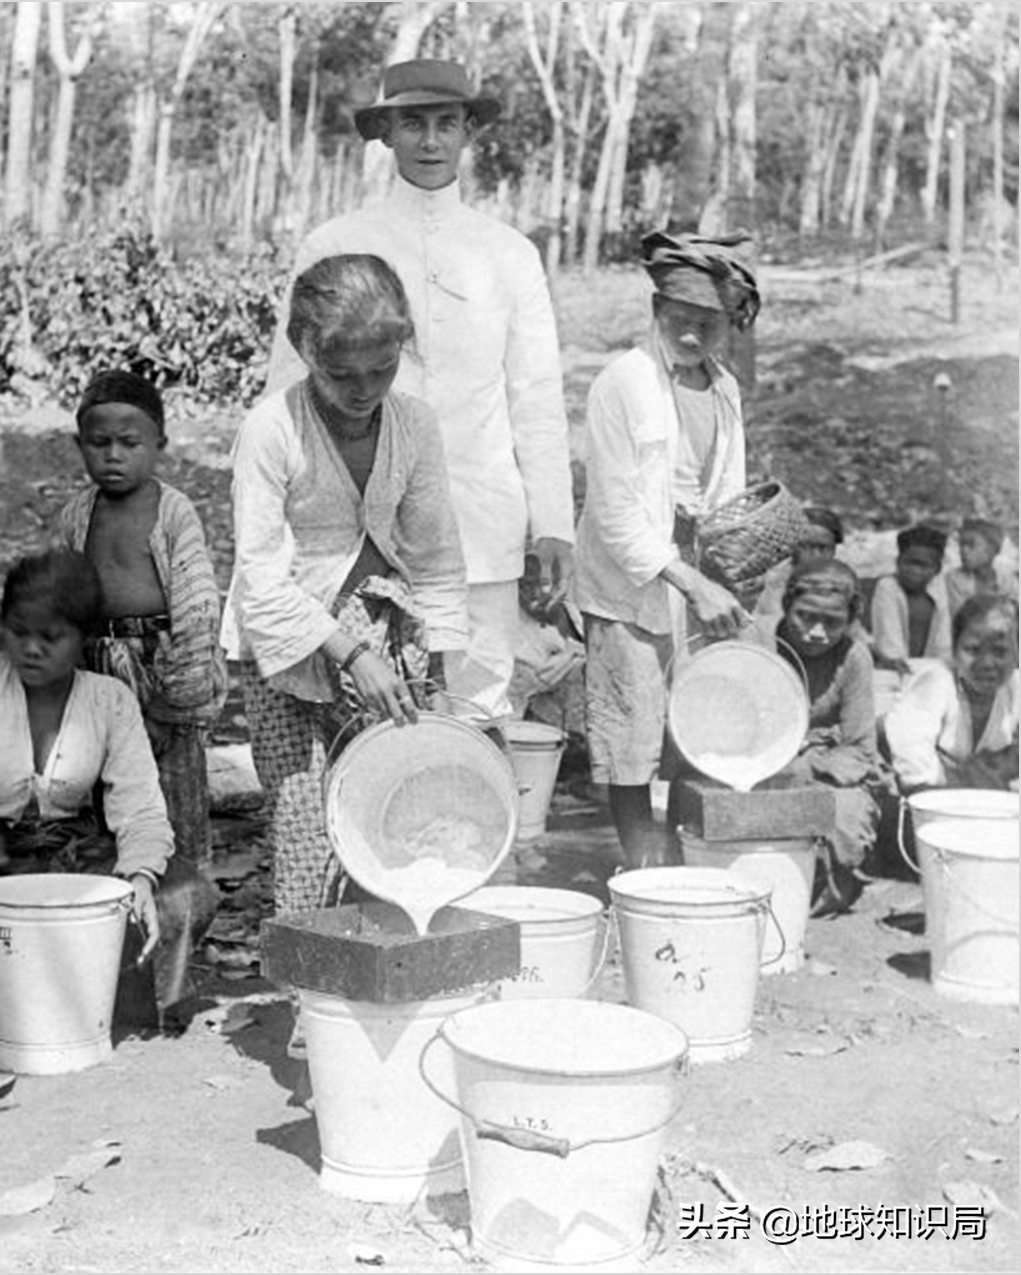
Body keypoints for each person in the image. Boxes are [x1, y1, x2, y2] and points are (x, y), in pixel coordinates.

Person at [265, 59, 573, 723]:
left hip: (477, 514)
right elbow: (287, 384)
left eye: (445, 124)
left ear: (468, 133)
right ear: (386, 133)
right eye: (412, 123)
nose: (430, 142)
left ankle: (470, 827)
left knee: (475, 695)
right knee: (361, 706)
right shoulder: (337, 242)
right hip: (355, 517)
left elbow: (536, 395)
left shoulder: (507, 253)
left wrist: (553, 522)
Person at [223, 253, 469, 919]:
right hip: (286, 646)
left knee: (389, 807)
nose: (363, 389)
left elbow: (435, 550)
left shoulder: (413, 424)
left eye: (381, 369)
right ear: (304, 349)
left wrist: (437, 664)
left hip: (385, 637)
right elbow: (260, 575)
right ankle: (314, 989)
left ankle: (384, 960)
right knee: (303, 816)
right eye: (341, 374)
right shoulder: (271, 430)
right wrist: (347, 653)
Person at [0, 551, 218, 1023]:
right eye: (18, 632)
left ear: (83, 639)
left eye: (50, 637)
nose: (31, 648)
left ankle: (92, 992)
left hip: (73, 861)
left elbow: (141, 811)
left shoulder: (110, 701)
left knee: (187, 890)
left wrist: (138, 878)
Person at [572, 230, 761, 868]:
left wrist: (734, 566)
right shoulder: (622, 384)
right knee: (631, 734)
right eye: (679, 321)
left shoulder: (726, 390)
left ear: (727, 325)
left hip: (697, 573)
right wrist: (691, 581)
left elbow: (727, 490)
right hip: (631, 581)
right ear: (656, 314)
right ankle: (642, 863)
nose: (691, 336)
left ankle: (683, 855)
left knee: (695, 720)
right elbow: (616, 513)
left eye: (707, 324)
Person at [54, 371, 228, 868]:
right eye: (99, 443)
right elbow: (60, 600)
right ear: (79, 443)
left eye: (129, 443)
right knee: (107, 810)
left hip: (162, 675)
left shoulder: (171, 512)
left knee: (175, 814)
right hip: (97, 680)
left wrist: (165, 710)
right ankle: (118, 925)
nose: (113, 455)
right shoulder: (75, 515)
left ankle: (183, 929)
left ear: (159, 445)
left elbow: (197, 613)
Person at [755, 560, 884, 916]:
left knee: (847, 814)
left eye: (832, 623)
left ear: (851, 619)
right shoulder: (758, 642)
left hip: (822, 762)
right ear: (786, 607)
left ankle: (818, 890)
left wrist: (806, 762)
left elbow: (860, 748)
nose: (816, 632)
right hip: (754, 760)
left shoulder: (854, 657)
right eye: (805, 616)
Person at [885, 594, 1019, 793]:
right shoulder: (935, 682)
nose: (986, 664)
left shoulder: (1015, 686)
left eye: (1000, 651)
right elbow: (914, 771)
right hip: (921, 798)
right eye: (972, 650)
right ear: (955, 651)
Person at [870, 523, 952, 674]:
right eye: (908, 563)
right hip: (892, 670)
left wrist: (940, 669)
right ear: (898, 561)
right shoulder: (888, 587)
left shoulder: (938, 591)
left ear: (937, 569)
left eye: (923, 566)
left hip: (929, 672)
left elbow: (943, 643)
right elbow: (890, 643)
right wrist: (901, 667)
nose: (914, 571)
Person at [945, 516, 1016, 613]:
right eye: (961, 545)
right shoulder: (954, 579)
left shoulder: (1006, 580)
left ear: (992, 551)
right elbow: (961, 616)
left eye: (971, 545)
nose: (963, 551)